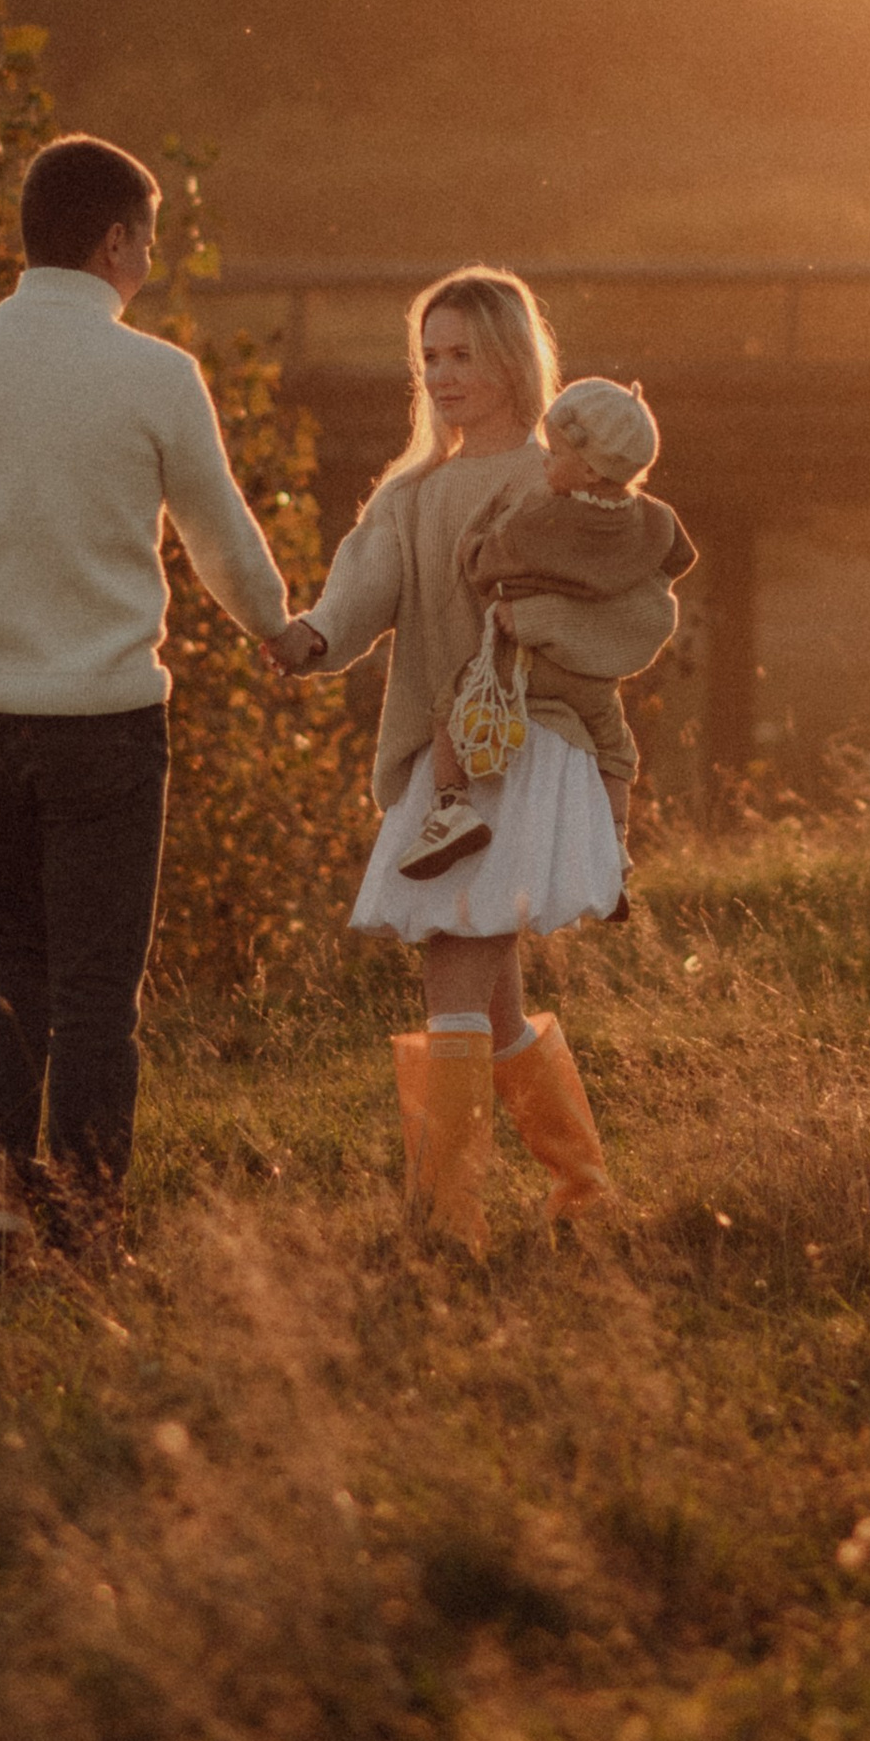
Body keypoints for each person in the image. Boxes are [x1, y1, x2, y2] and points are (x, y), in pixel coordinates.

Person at [0, 132, 293, 1270]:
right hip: (102, 719)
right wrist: (280, 632)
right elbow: (217, 535)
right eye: (146, 242)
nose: (146, 264)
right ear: (114, 241)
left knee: (9, 957)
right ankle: (91, 1226)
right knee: (98, 986)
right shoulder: (153, 375)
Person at [268, 268, 626, 1254]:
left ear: (514, 357)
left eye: (463, 353)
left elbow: (603, 597)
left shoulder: (552, 482)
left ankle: (444, 1218)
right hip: (448, 764)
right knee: (489, 988)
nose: (442, 373)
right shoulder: (411, 492)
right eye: (429, 356)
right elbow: (361, 594)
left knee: (454, 976)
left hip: (517, 755)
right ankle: (583, 1195)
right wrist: (311, 636)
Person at [403, 374, 695, 882]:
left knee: (452, 702)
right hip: (591, 684)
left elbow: (483, 566)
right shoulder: (654, 520)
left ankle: (451, 808)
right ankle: (616, 847)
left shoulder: (543, 519)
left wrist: (478, 530)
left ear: (586, 469)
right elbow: (680, 559)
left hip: (529, 665)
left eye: (554, 454)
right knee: (615, 748)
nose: (543, 462)